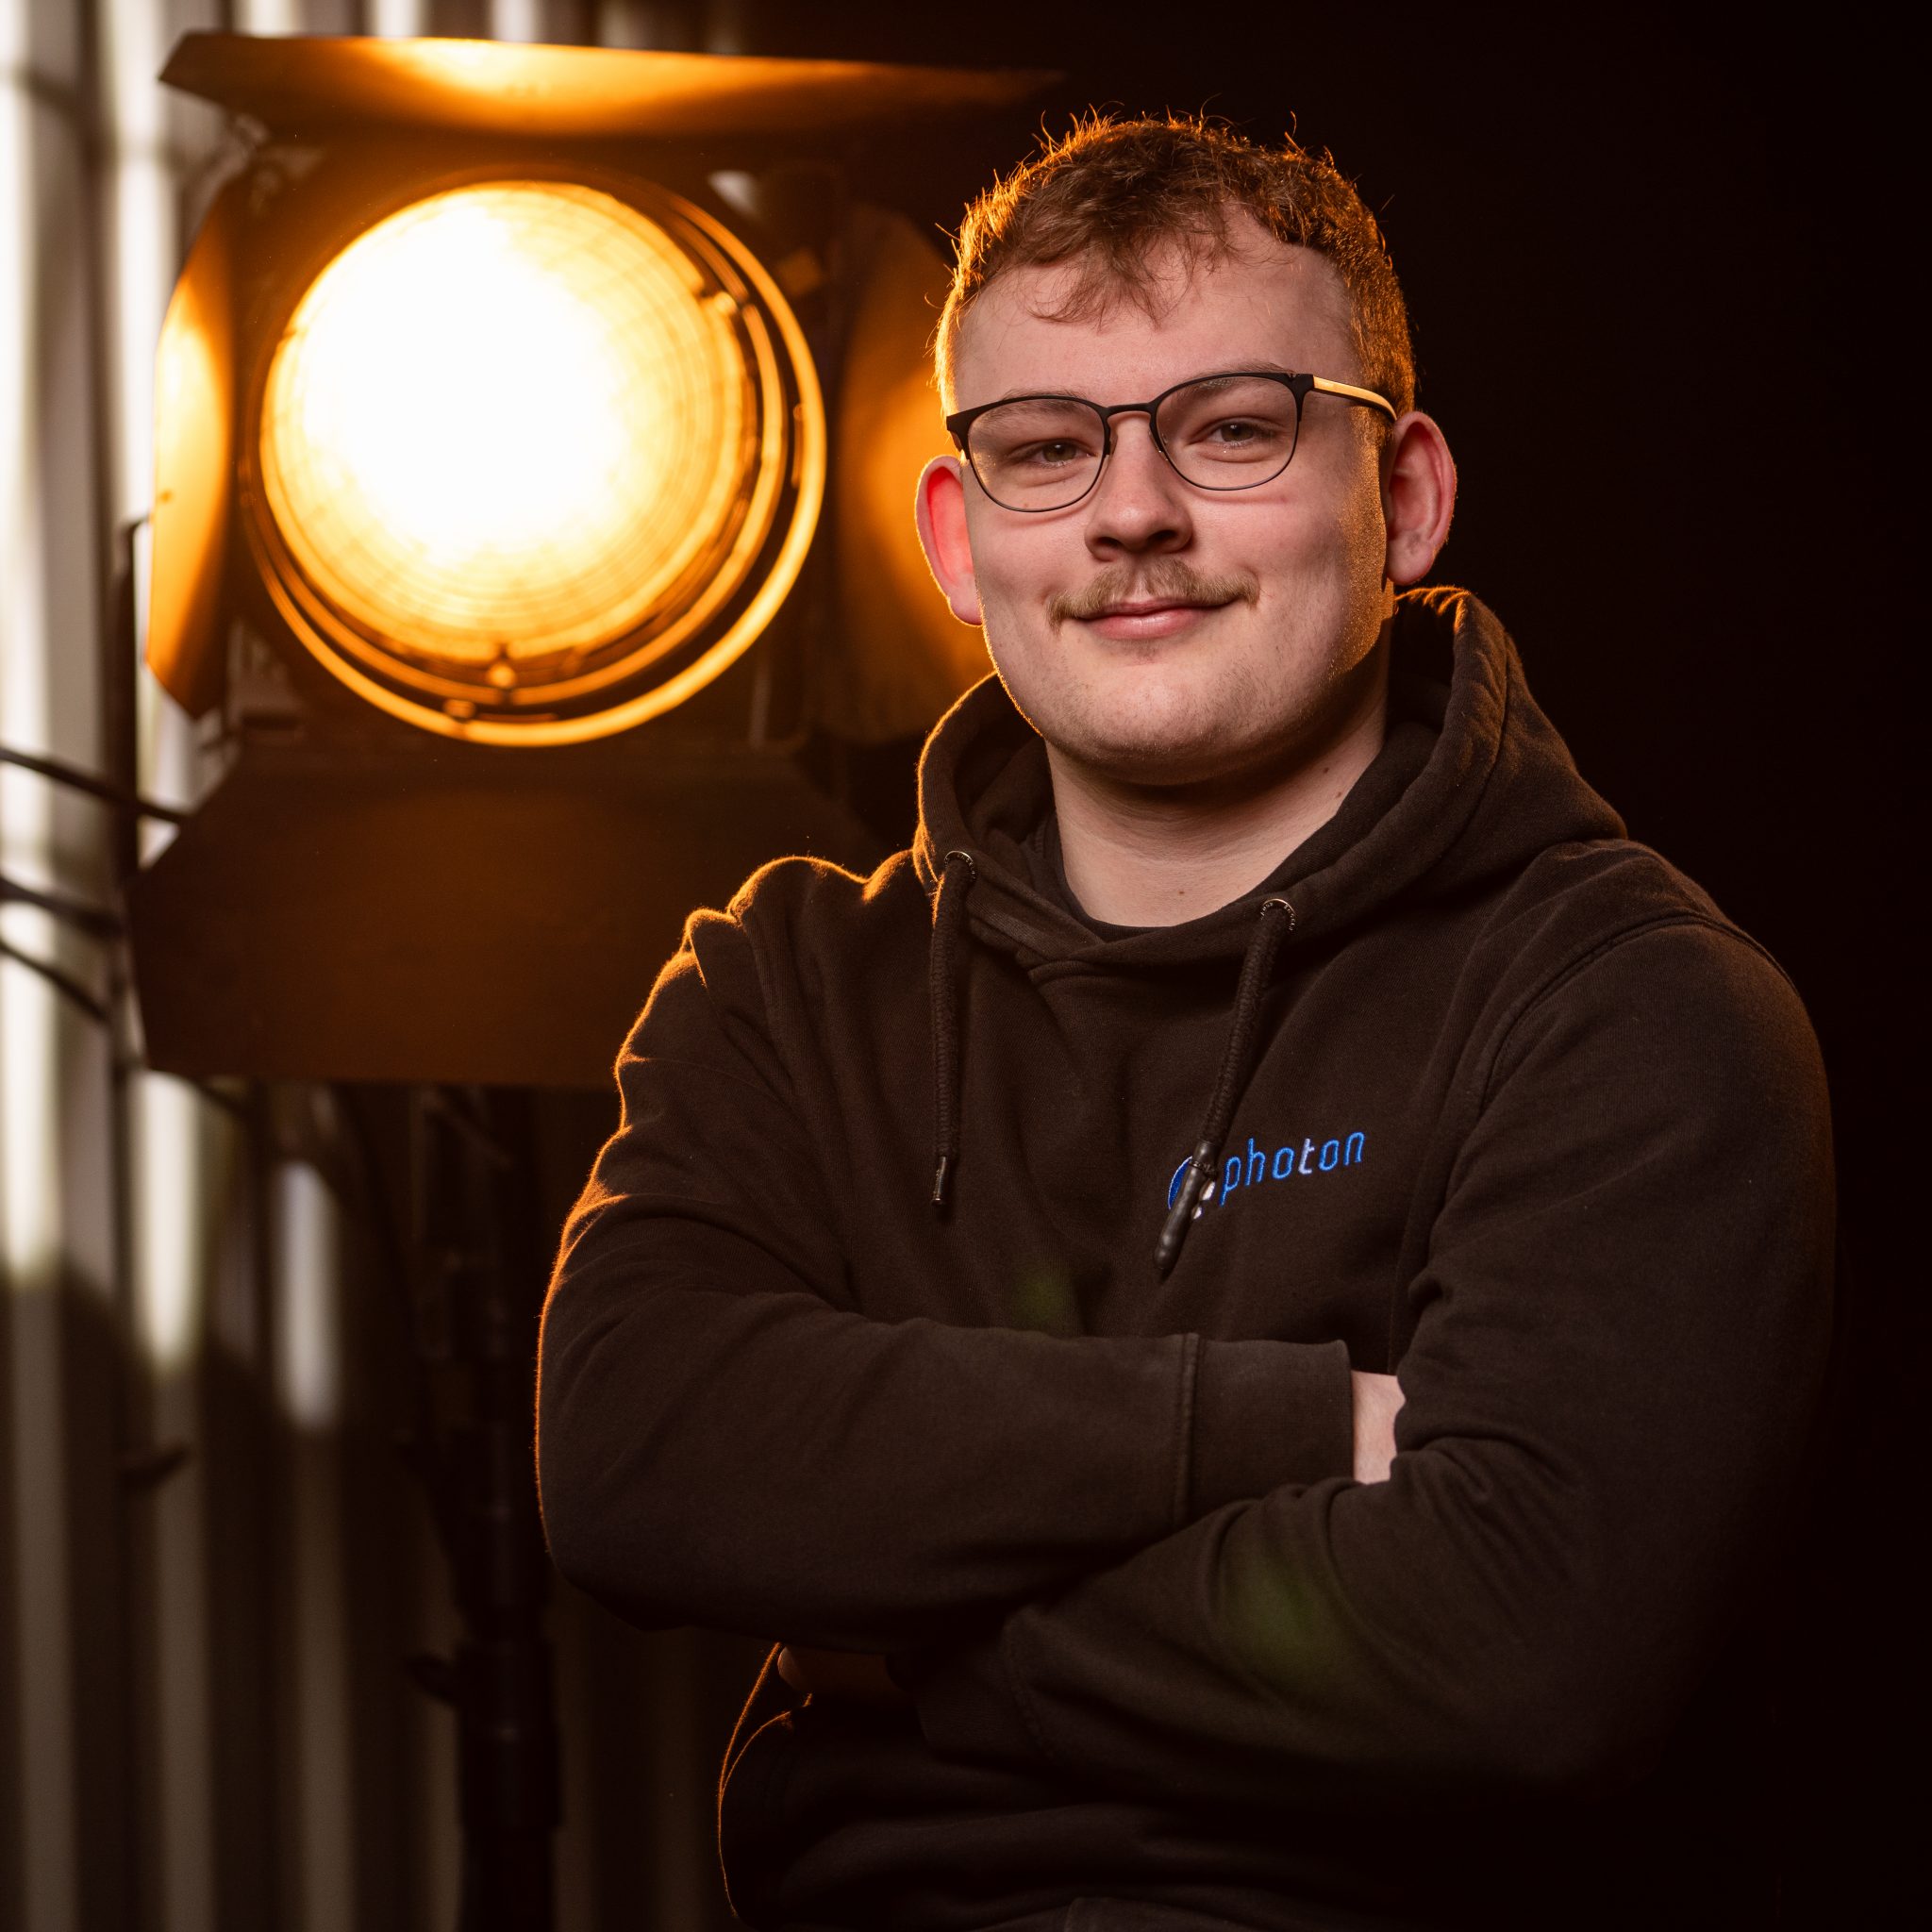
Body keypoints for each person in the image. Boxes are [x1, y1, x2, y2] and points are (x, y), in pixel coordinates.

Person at [537, 115, 1835, 1932]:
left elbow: (1527, 1655)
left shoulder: (1629, 1008)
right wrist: (1273, 1434)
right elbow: (632, 1450)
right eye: (1047, 450)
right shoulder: (786, 990)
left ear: (1405, 493)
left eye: (1231, 427)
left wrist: (908, 1647)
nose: (1133, 514)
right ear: (959, 540)